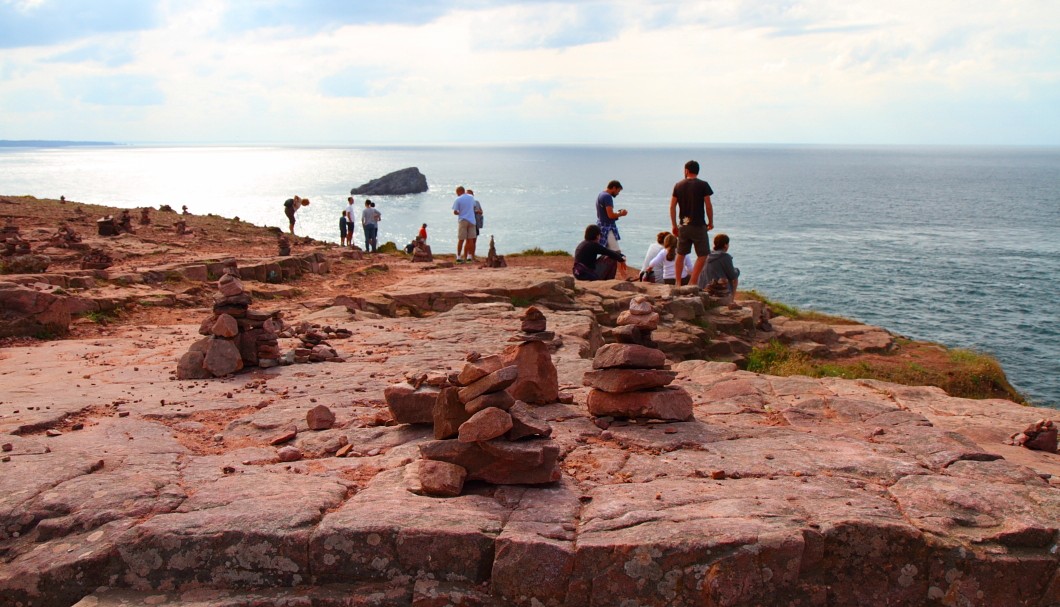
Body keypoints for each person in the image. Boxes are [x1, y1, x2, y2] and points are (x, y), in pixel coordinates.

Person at [669, 160, 714, 286]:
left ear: (686, 170)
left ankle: (677, 282)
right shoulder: (703, 185)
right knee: (703, 254)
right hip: (699, 225)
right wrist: (710, 222)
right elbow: (708, 206)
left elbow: (672, 207)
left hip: (683, 225)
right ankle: (692, 282)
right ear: (697, 171)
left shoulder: (678, 185)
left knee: (681, 253)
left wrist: (674, 225)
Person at [596, 180, 629, 279]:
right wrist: (621, 214)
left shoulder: (601, 195)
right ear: (614, 188)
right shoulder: (607, 197)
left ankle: (623, 275)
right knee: (616, 252)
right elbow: (610, 215)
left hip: (601, 226)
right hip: (607, 228)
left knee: (609, 252)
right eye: (618, 191)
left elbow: (606, 214)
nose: (618, 193)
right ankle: (625, 276)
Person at [701, 233, 740, 302]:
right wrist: (737, 270)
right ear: (725, 245)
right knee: (735, 278)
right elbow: (732, 275)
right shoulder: (724, 256)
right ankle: (731, 300)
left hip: (704, 285)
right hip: (718, 288)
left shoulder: (708, 254)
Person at [451, 186, 477, 263]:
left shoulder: (458, 199)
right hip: (472, 220)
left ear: (459, 192)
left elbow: (455, 211)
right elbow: (474, 206)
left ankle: (458, 257)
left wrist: (460, 212)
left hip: (463, 220)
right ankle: (470, 257)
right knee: (471, 240)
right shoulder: (471, 197)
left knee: (461, 239)